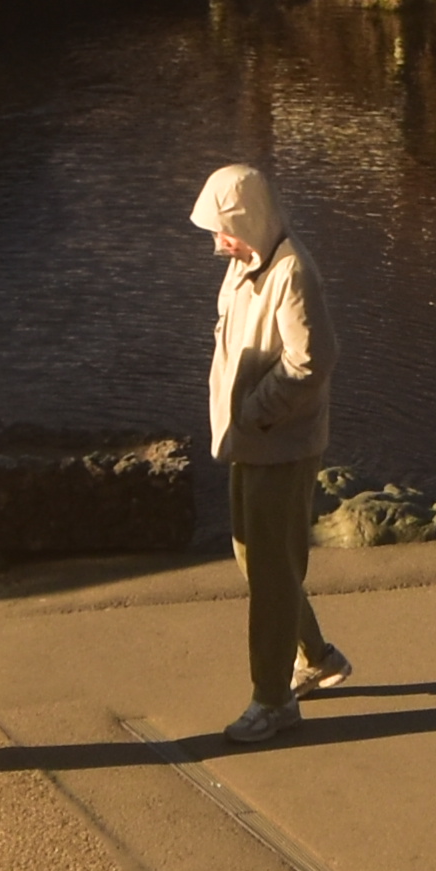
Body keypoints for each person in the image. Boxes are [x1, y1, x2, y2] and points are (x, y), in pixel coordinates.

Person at [189, 164, 351, 741]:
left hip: (279, 445)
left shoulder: (293, 274)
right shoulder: (246, 266)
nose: (216, 243)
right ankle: (318, 656)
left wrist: (256, 410)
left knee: (271, 570)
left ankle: (273, 698)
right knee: (253, 556)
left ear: (249, 221)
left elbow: (313, 360)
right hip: (251, 442)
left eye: (223, 229)